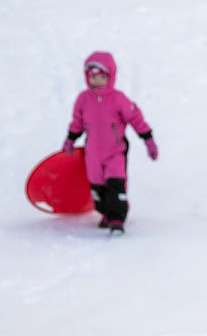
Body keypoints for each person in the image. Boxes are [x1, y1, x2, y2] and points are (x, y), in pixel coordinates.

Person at [62, 51, 157, 233]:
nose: (97, 81)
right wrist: (70, 140)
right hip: (93, 154)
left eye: (101, 77)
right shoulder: (83, 99)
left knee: (115, 183)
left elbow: (135, 118)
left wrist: (148, 139)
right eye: (93, 77)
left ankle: (116, 219)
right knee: (98, 187)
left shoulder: (118, 98)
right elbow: (77, 122)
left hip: (115, 151)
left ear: (110, 76)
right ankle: (105, 213)